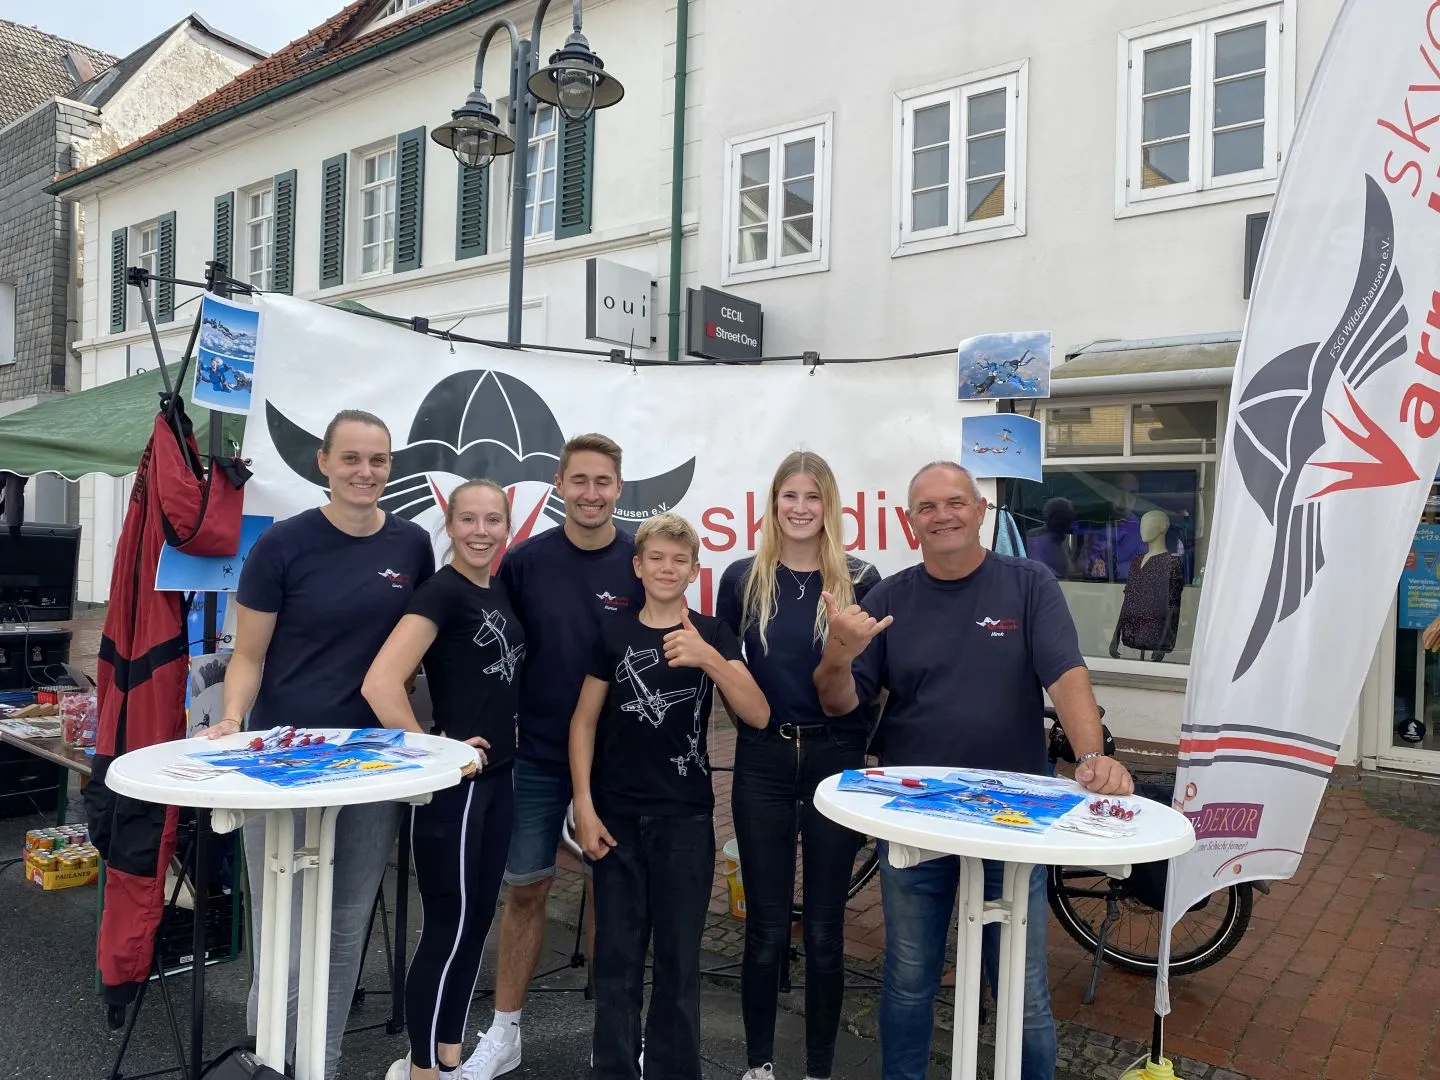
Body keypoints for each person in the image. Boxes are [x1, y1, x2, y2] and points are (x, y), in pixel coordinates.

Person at [813, 461, 1133, 1080]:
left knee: (1020, 988)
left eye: (955, 502)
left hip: (1013, 820)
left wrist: (1092, 756)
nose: (943, 516)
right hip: (915, 817)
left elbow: (1066, 675)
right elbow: (838, 702)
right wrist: (836, 654)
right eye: (927, 508)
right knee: (908, 980)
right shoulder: (887, 600)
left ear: (980, 510)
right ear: (911, 523)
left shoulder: (1029, 583)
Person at [209, 409, 435, 1080]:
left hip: (371, 762)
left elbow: (418, 649)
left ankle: (323, 1064)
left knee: (343, 929)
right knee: (283, 927)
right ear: (325, 465)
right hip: (282, 759)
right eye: (353, 459)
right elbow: (247, 656)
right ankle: (269, 1062)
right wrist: (230, 719)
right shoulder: (283, 545)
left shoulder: (412, 545)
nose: (366, 472)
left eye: (379, 460)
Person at [463, 433, 647, 1079]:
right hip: (537, 756)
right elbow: (496, 651)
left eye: (604, 481)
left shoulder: (640, 563)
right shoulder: (525, 563)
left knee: (612, 897)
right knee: (524, 892)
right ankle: (505, 1031)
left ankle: (613, 1034)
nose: (592, 493)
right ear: (560, 486)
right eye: (580, 481)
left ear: (618, 489)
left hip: (617, 762)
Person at [570, 512, 770, 1080]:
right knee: (618, 959)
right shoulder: (614, 634)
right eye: (655, 558)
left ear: (694, 570)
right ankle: (612, 1067)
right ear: (638, 566)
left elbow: (756, 713)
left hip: (684, 818)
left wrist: (709, 658)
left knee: (680, 960)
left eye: (678, 560)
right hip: (616, 817)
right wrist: (583, 805)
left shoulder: (712, 633)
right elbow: (583, 723)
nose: (666, 568)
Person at [715, 451, 880, 1080]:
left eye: (813, 496)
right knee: (764, 926)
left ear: (831, 505)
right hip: (762, 759)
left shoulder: (859, 580)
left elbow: (867, 687)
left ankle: (818, 1068)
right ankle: (760, 1065)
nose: (801, 507)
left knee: (825, 930)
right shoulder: (742, 578)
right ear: (774, 503)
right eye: (790, 495)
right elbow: (730, 674)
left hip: (836, 759)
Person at [361, 480, 522, 1080]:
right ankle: (422, 1067)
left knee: (478, 919)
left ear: (508, 526)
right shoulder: (441, 593)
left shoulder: (496, 589)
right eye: (469, 520)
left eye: (493, 520)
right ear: (450, 525)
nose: (481, 531)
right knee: (447, 927)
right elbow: (381, 684)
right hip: (456, 787)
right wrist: (435, 751)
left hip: (498, 777)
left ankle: (449, 1055)